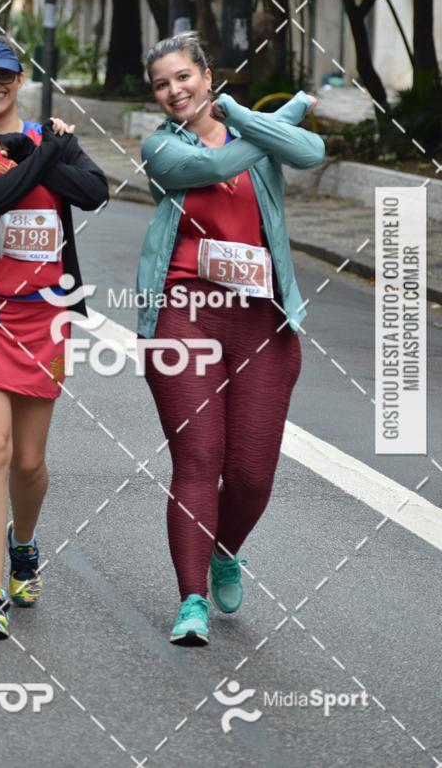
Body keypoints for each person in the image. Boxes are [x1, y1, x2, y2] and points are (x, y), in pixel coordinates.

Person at [136, 32, 325, 646]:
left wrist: (245, 117)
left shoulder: (249, 131)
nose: (174, 91)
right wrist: (269, 124)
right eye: (163, 84)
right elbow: (215, 166)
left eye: (184, 77)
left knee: (251, 477)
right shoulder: (161, 145)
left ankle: (224, 552)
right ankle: (191, 600)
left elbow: (313, 152)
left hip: (262, 322)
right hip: (184, 313)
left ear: (207, 75)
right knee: (197, 461)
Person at [0, 35, 108, 639]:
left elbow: (95, 193)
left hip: (45, 318)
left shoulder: (53, 139)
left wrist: (49, 147)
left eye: (3, 75)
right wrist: (43, 151)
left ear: (19, 79)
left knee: (31, 463)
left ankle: (24, 544)